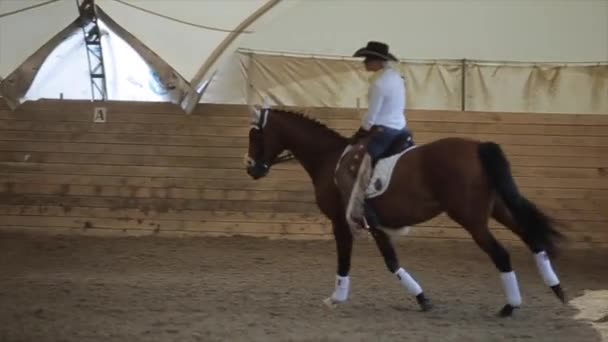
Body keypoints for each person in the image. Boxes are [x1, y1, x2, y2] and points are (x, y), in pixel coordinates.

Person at [341, 41, 411, 230]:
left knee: (353, 167)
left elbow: (372, 115)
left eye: (368, 59)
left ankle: (361, 212)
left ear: (379, 62)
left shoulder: (379, 84)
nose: (365, 62)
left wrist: (361, 131)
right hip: (402, 130)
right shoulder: (397, 77)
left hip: (384, 132)